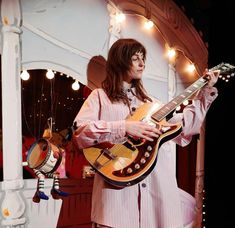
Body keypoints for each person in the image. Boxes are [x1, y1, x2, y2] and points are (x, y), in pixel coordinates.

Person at [72, 38, 219, 228]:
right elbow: (80, 132)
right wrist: (124, 127)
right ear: (120, 61)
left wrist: (204, 93)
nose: (142, 63)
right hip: (118, 200)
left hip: (157, 197)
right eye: (135, 58)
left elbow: (185, 128)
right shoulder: (100, 97)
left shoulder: (153, 104)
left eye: (143, 58)